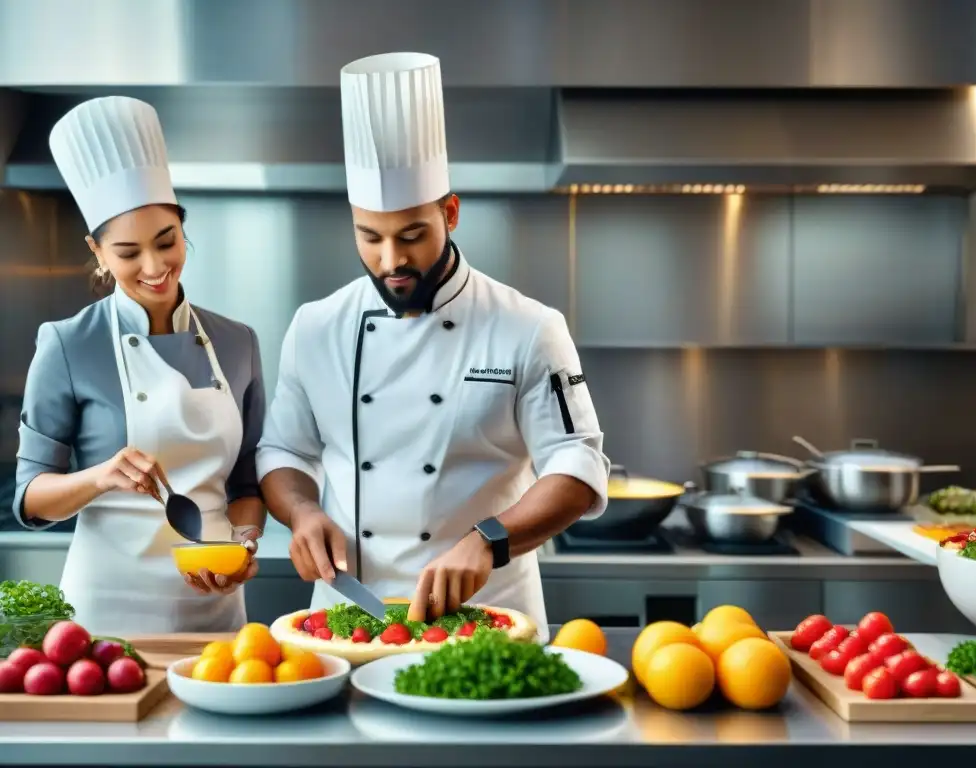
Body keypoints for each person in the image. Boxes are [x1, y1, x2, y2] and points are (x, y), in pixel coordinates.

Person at [257, 52, 609, 640]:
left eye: (412, 235)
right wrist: (302, 512)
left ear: (450, 213)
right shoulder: (316, 326)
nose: (391, 260)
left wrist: (489, 539)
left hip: (488, 625)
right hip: (349, 623)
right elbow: (282, 454)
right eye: (369, 237)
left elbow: (578, 465)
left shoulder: (528, 326)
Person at [13, 96, 267, 635]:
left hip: (213, 611)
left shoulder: (238, 342)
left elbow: (247, 481)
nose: (155, 268)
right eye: (128, 253)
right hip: (104, 614)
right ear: (97, 252)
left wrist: (243, 544)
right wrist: (103, 476)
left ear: (181, 226)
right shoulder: (66, 344)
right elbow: (30, 498)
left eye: (167, 242)